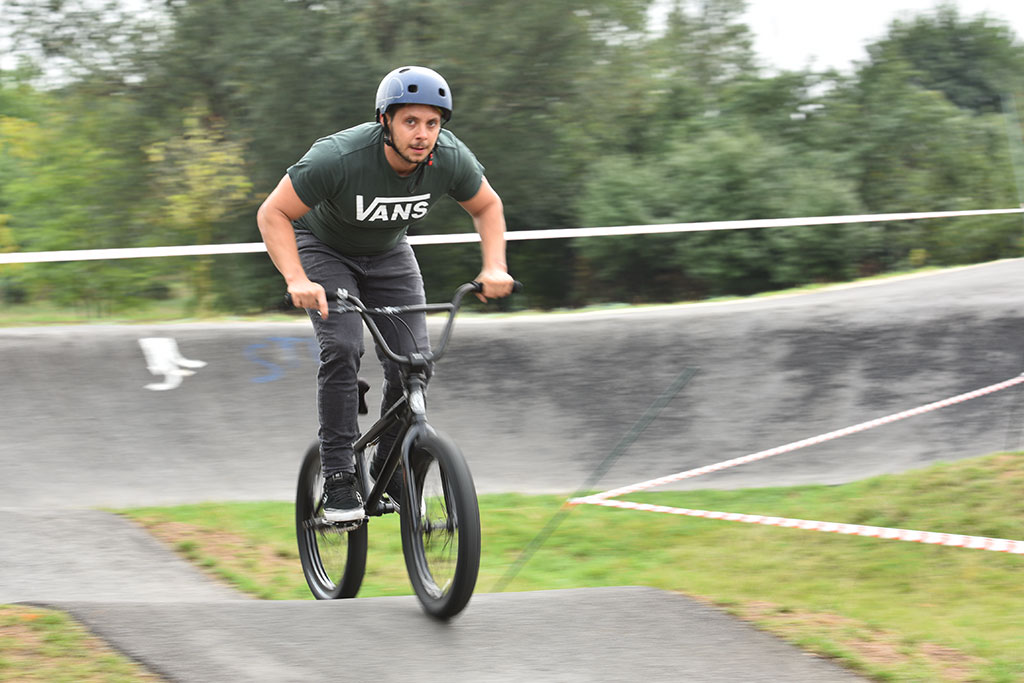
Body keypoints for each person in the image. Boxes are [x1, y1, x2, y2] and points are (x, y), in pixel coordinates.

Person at [257, 66, 514, 523]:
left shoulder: (449, 158)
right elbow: (273, 212)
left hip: (390, 253)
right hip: (323, 251)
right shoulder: (339, 157)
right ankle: (338, 474)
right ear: (385, 122)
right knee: (342, 346)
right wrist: (296, 278)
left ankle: (388, 463)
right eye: (410, 122)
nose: (422, 134)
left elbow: (487, 205)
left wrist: (495, 265)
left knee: (415, 361)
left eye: (432, 123)